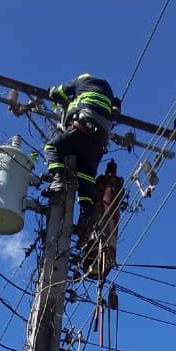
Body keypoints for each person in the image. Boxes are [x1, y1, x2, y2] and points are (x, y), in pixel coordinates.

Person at [44, 74, 116, 238]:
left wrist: (51, 92)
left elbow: (59, 92)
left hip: (83, 126)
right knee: (86, 176)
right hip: (99, 140)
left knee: (52, 147)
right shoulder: (108, 91)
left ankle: (58, 179)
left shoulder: (82, 81)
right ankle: (86, 215)